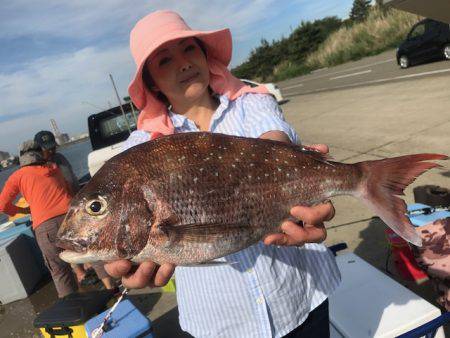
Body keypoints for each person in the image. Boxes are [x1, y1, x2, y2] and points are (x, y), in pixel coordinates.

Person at [105, 10, 340, 337]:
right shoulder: (141, 150)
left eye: (189, 49)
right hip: (222, 322)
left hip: (300, 295)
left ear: (204, 54)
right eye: (164, 61)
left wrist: (282, 156)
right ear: (151, 82)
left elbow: (271, 135)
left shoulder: (251, 102)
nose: (183, 63)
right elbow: (115, 208)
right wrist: (122, 256)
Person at [33, 130, 115, 290]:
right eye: (47, 148)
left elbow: (71, 181)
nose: (51, 151)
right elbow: (69, 182)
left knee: (81, 248)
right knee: (78, 248)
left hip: (62, 212)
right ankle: (93, 279)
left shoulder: (43, 164)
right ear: (39, 148)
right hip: (64, 210)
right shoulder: (51, 162)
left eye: (52, 147)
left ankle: (100, 283)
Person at [0, 140, 78, 298]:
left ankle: (74, 309)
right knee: (90, 253)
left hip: (45, 226)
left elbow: (2, 206)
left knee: (59, 270)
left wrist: (21, 209)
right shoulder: (54, 168)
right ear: (39, 153)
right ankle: (112, 289)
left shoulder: (18, 176)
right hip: (70, 217)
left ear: (22, 157)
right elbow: (69, 190)